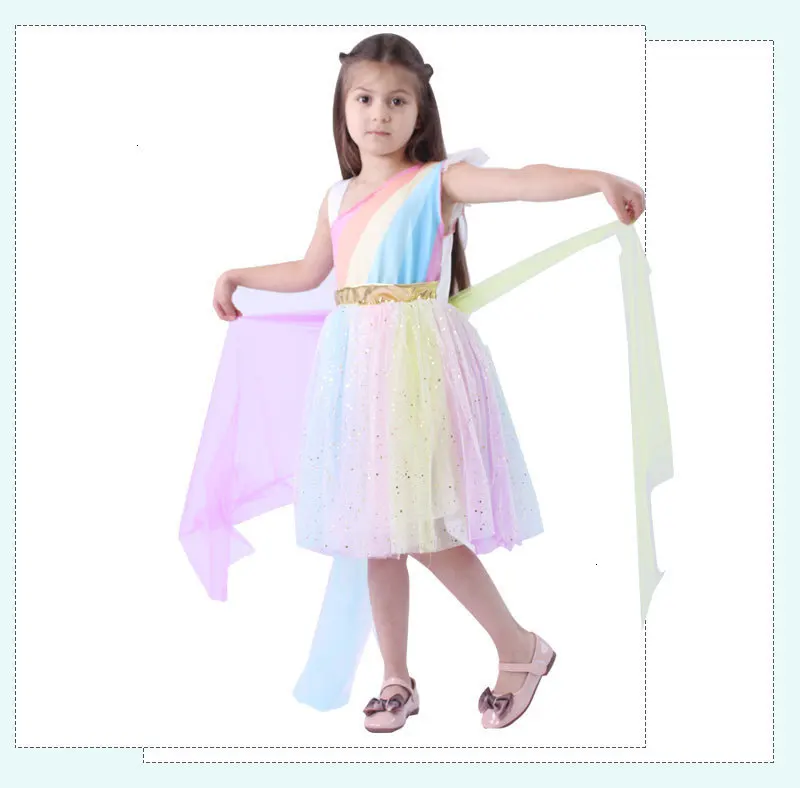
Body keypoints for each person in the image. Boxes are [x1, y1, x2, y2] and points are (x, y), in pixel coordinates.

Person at [197, 33, 657, 734]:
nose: (378, 113)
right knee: (375, 533)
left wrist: (597, 178)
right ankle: (396, 677)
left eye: (396, 101)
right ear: (342, 108)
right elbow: (309, 272)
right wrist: (237, 275)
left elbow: (524, 181)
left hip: (414, 369)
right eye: (364, 98)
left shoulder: (438, 182)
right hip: (354, 373)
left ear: (420, 112)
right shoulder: (335, 196)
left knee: (422, 528)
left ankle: (520, 647)